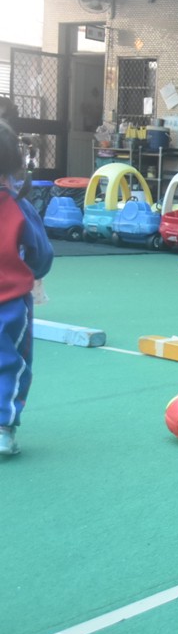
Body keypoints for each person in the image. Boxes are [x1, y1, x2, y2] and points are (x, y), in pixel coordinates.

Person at [0, 118, 53, 456]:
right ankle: (3, 427)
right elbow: (42, 257)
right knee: (9, 361)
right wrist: (28, 270)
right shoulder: (20, 206)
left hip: (11, 300)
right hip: (11, 303)